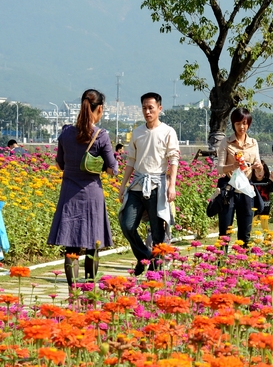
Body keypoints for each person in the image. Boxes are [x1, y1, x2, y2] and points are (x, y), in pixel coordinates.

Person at [48, 89, 118, 287]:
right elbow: (113, 169)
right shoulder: (101, 136)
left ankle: (72, 290)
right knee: (92, 245)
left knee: (71, 246)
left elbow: (60, 164)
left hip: (69, 193)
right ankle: (89, 287)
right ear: (100, 109)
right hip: (92, 195)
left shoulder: (66, 133)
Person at [118, 92, 180, 276]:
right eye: (144, 107)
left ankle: (155, 269)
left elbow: (174, 160)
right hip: (137, 184)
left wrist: (172, 185)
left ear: (159, 109)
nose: (147, 111)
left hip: (157, 184)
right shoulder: (137, 132)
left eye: (151, 107)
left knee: (157, 230)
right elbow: (130, 161)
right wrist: (123, 185)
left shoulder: (168, 132)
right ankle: (144, 255)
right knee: (127, 224)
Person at [216, 107, 265, 244]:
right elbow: (219, 169)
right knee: (225, 230)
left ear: (248, 123)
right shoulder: (226, 142)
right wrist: (233, 166)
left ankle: (242, 260)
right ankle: (221, 261)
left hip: (246, 189)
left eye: (244, 123)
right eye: (238, 124)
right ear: (233, 124)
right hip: (229, 188)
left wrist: (259, 168)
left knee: (245, 231)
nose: (242, 127)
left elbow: (259, 172)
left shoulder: (253, 143)